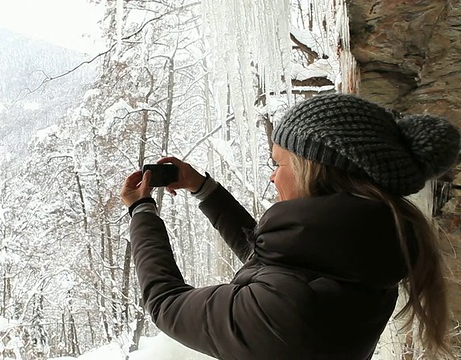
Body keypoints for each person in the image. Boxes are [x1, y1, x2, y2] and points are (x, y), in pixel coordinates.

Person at [120, 93, 460, 359]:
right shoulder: (369, 256)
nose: (272, 175)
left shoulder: (288, 314)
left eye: (278, 163)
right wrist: (203, 188)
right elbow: (276, 263)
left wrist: (141, 210)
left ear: (311, 170)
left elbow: (167, 304)